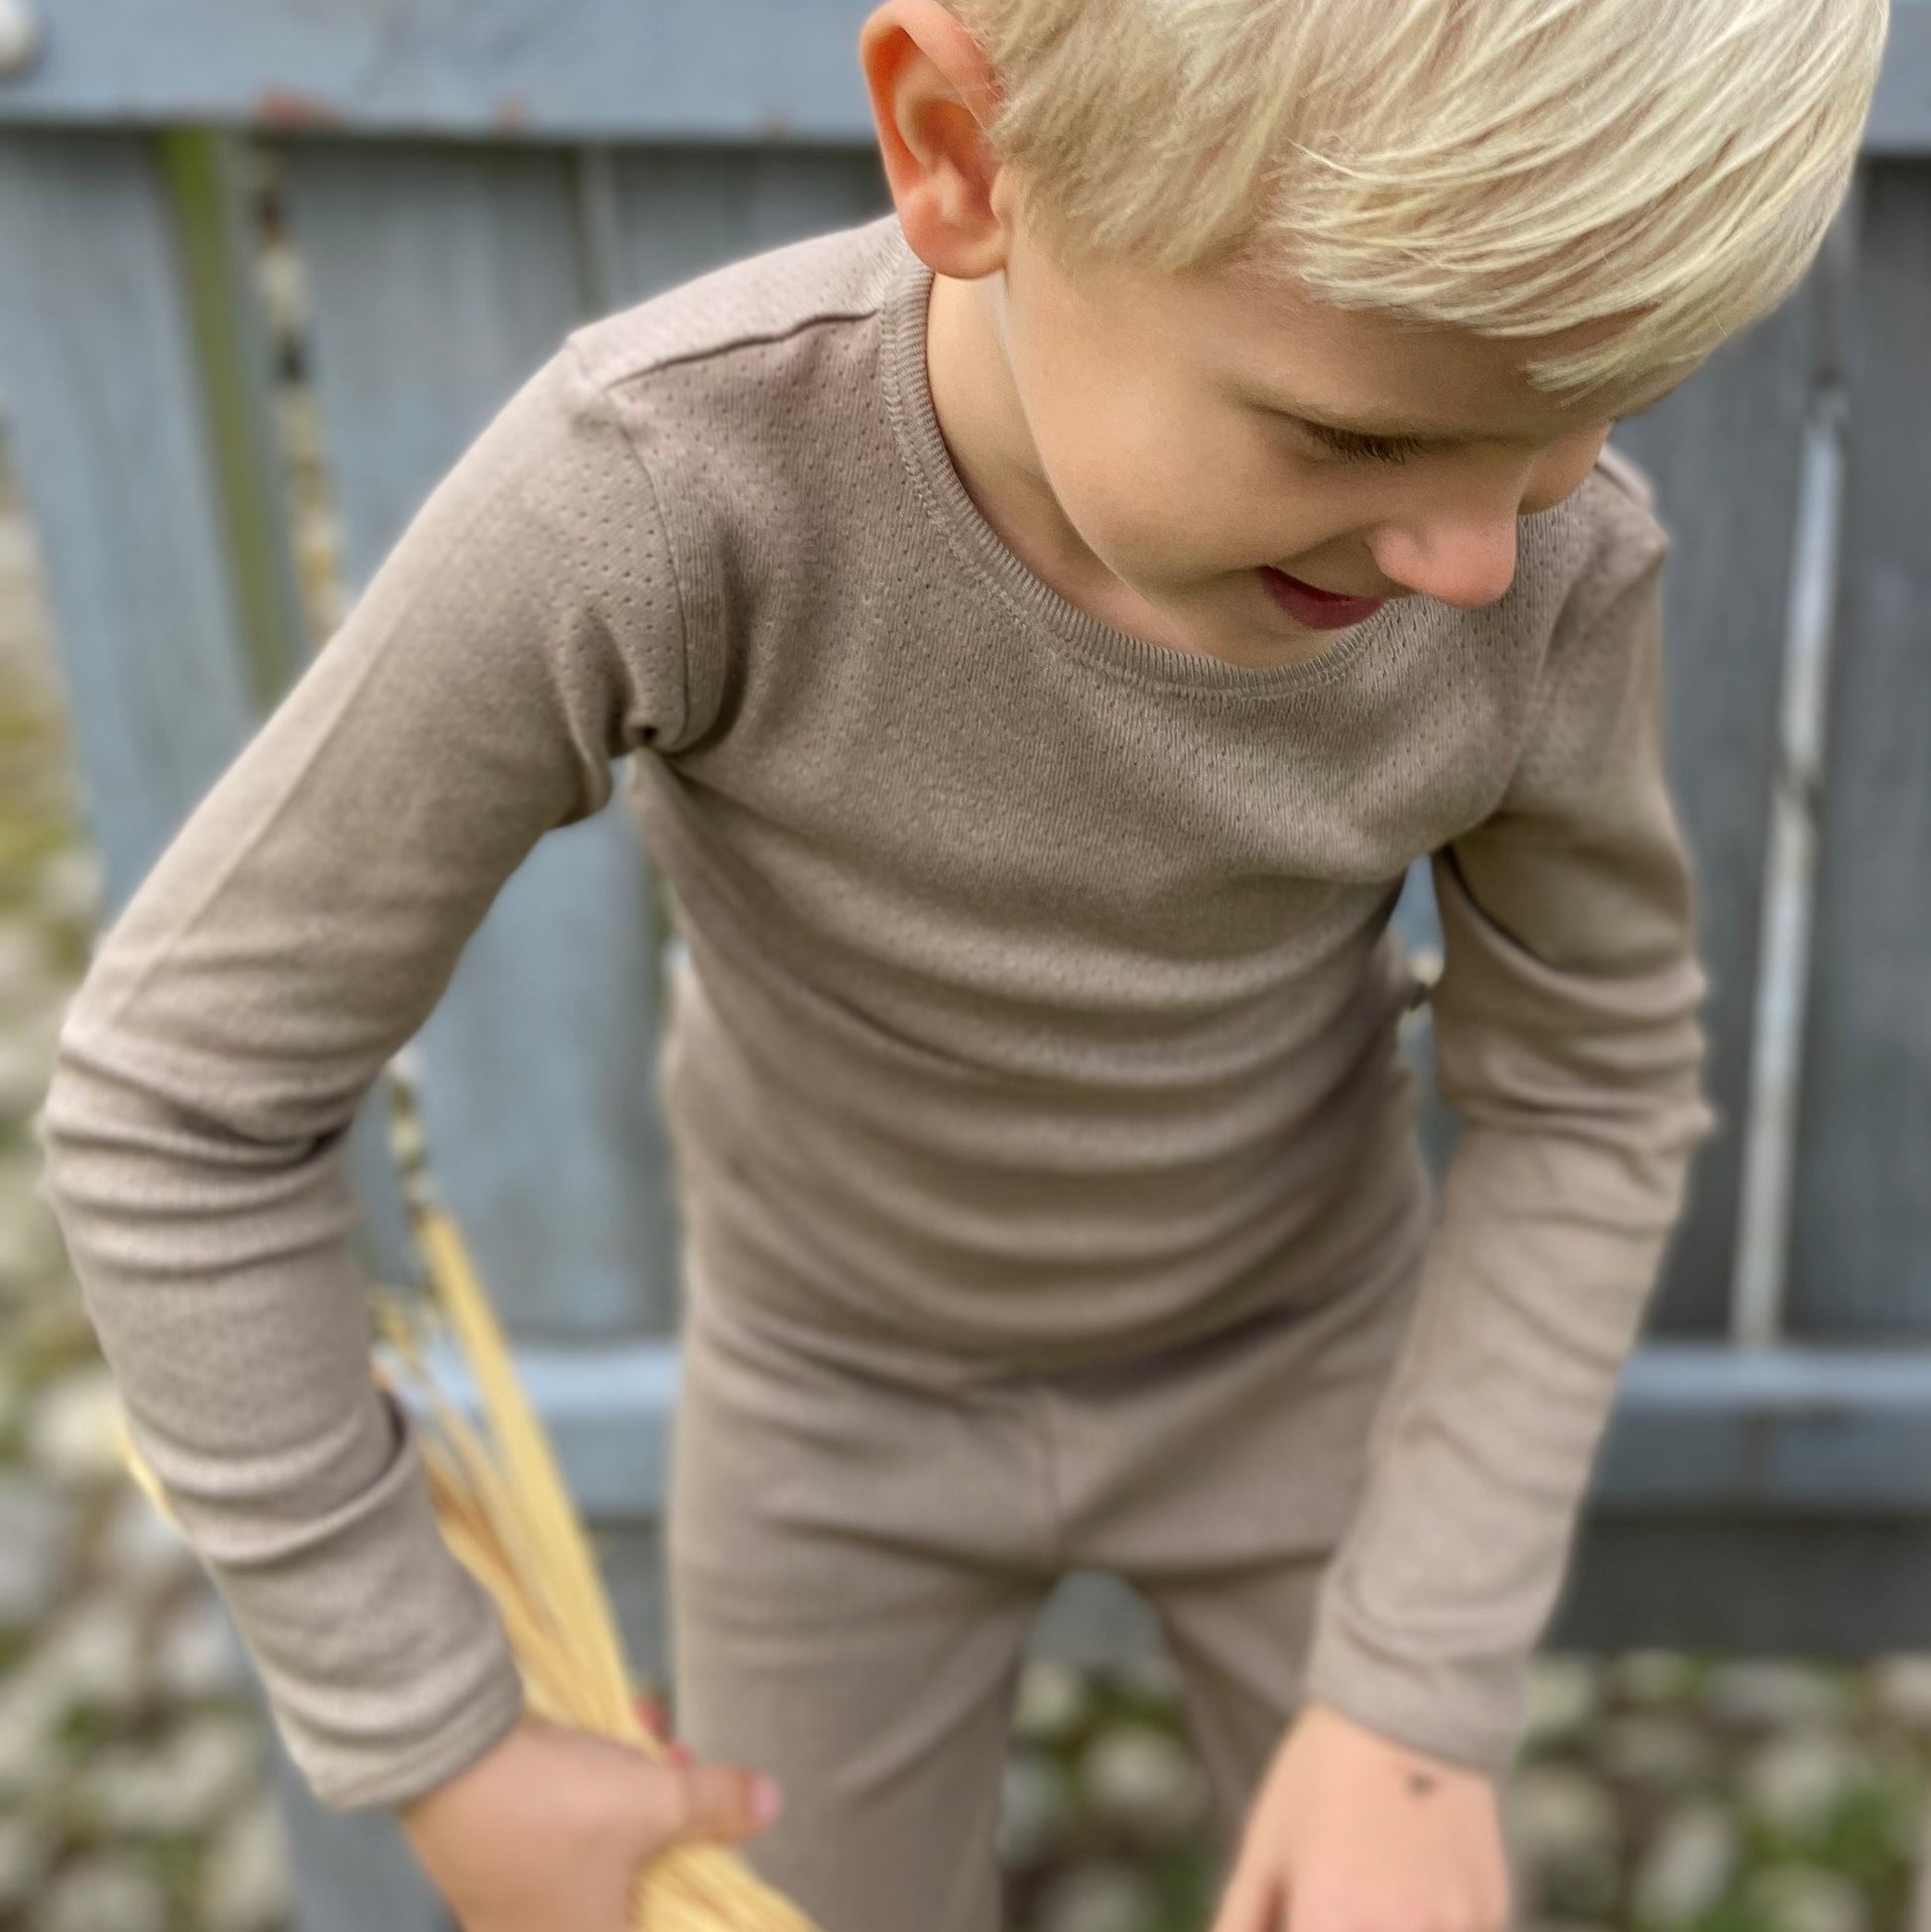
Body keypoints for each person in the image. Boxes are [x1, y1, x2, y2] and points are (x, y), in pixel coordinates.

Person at [35, 2, 1886, 1929]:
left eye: (1582, 428)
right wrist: (437, 1732)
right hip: (829, 1398)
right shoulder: (664, 493)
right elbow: (178, 1095)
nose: (1474, 559)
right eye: (1353, 429)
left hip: (1307, 1367)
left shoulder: (1544, 572)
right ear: (960, 155)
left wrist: (1411, 1708)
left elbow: (1586, 1076)